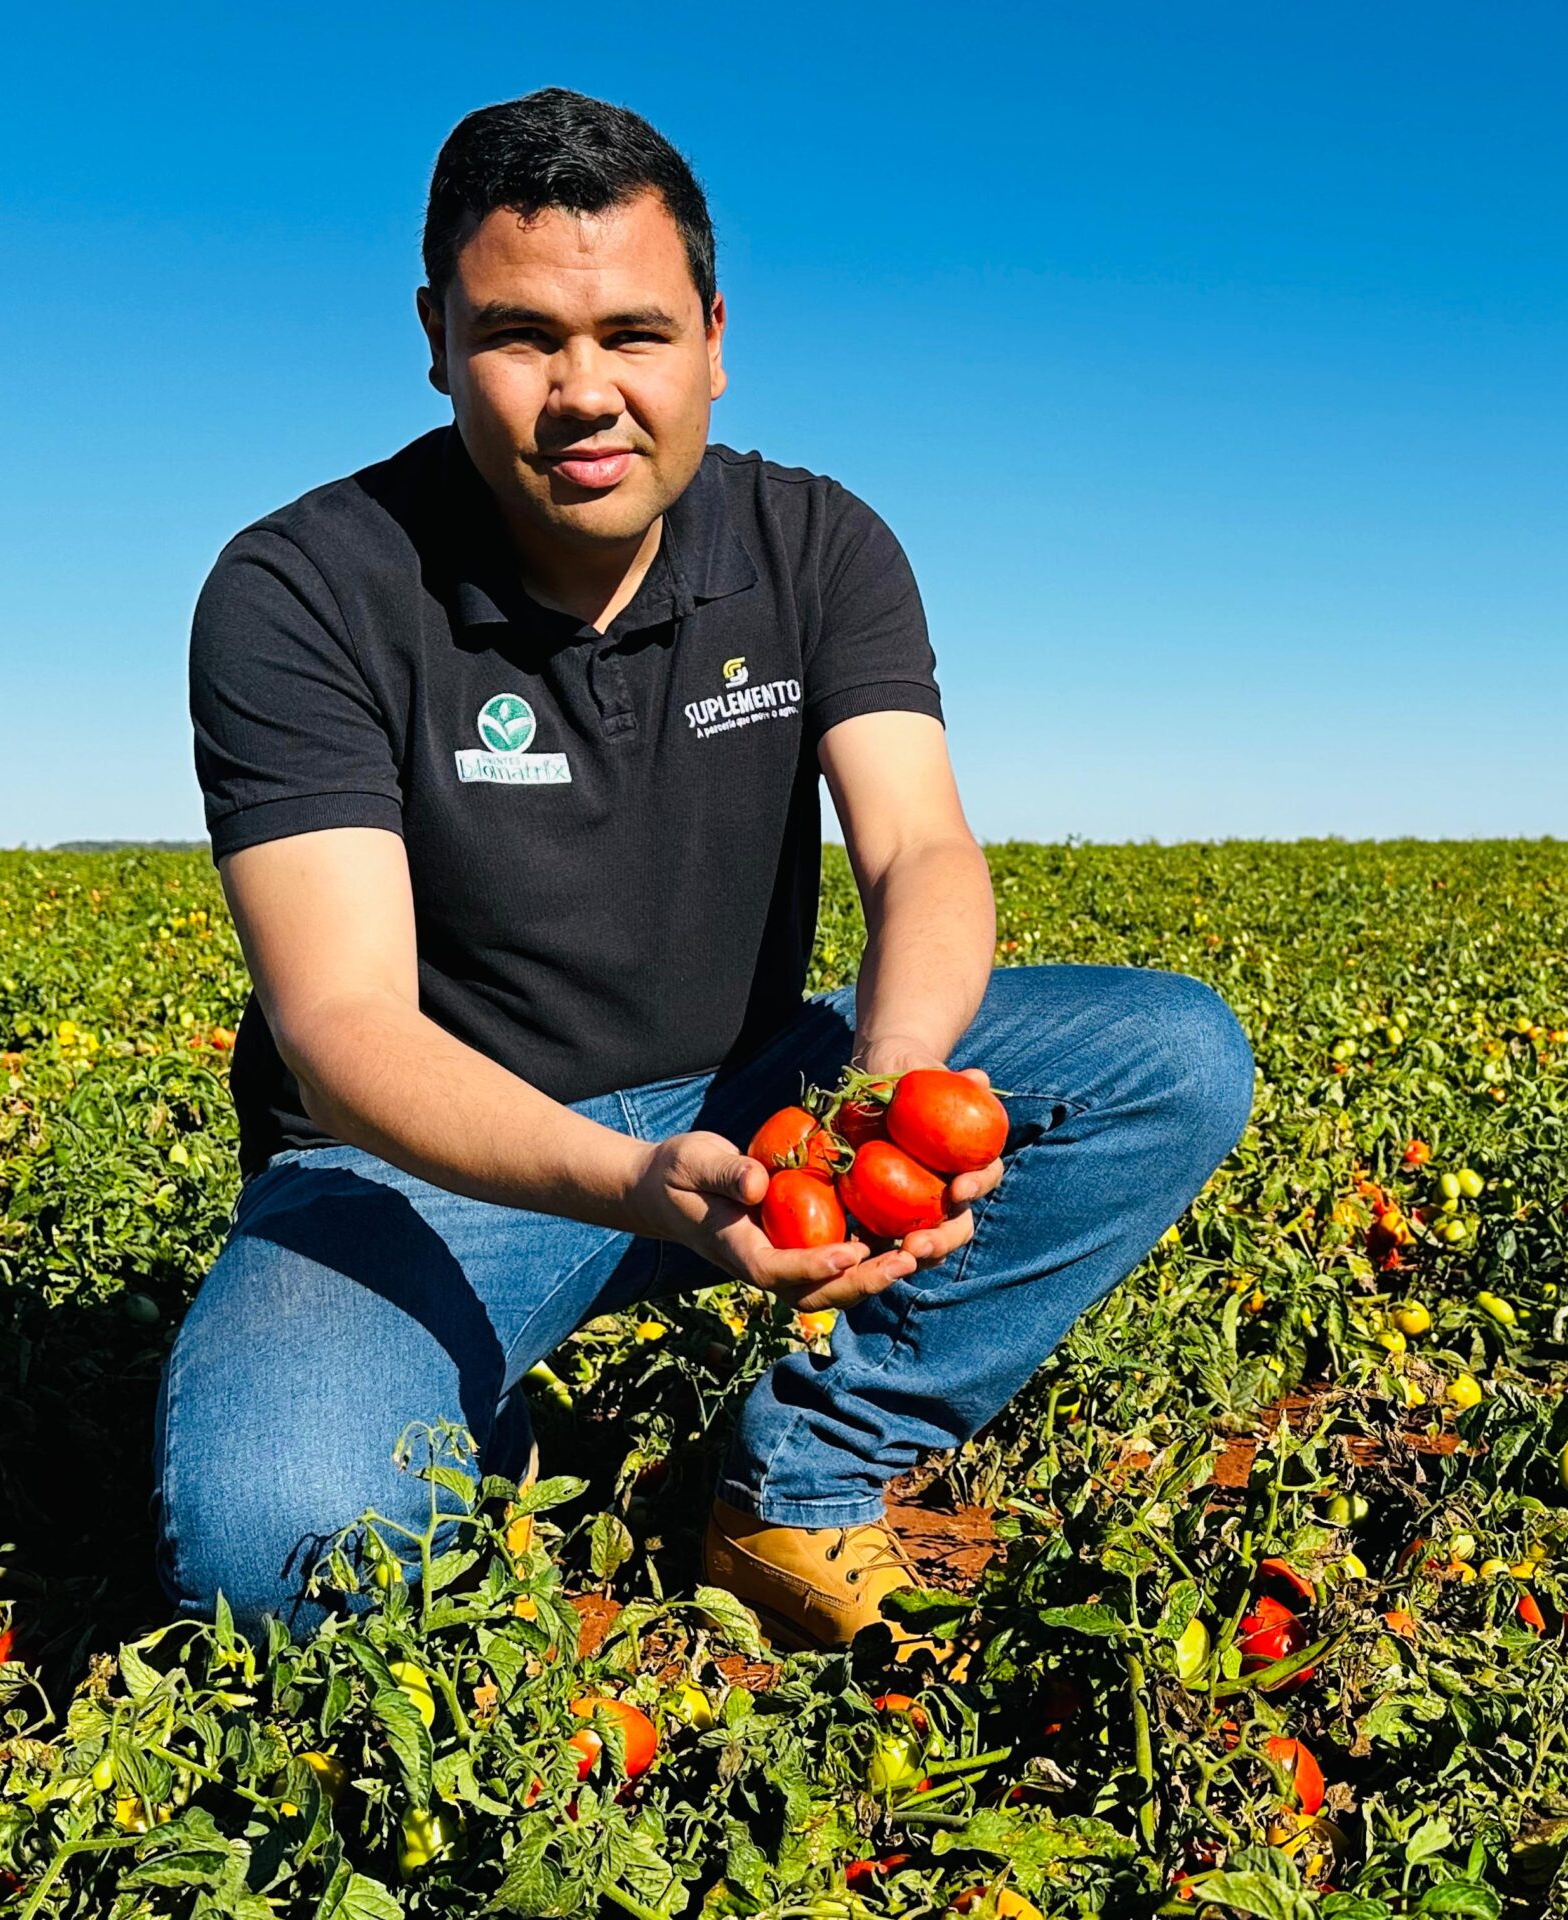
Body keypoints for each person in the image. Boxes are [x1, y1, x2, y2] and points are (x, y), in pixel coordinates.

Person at [157, 86, 1255, 1650]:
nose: (585, 392)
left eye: (636, 334)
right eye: (522, 334)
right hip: (427, 1164)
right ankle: (484, 1422)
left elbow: (923, 847)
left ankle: (798, 1476)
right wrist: (626, 1186)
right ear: (433, 334)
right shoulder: (305, 588)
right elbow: (342, 1029)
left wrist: (887, 1081)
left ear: (716, 334)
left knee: (1167, 1060)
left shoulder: (818, 546)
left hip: (757, 1097)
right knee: (283, 1557)